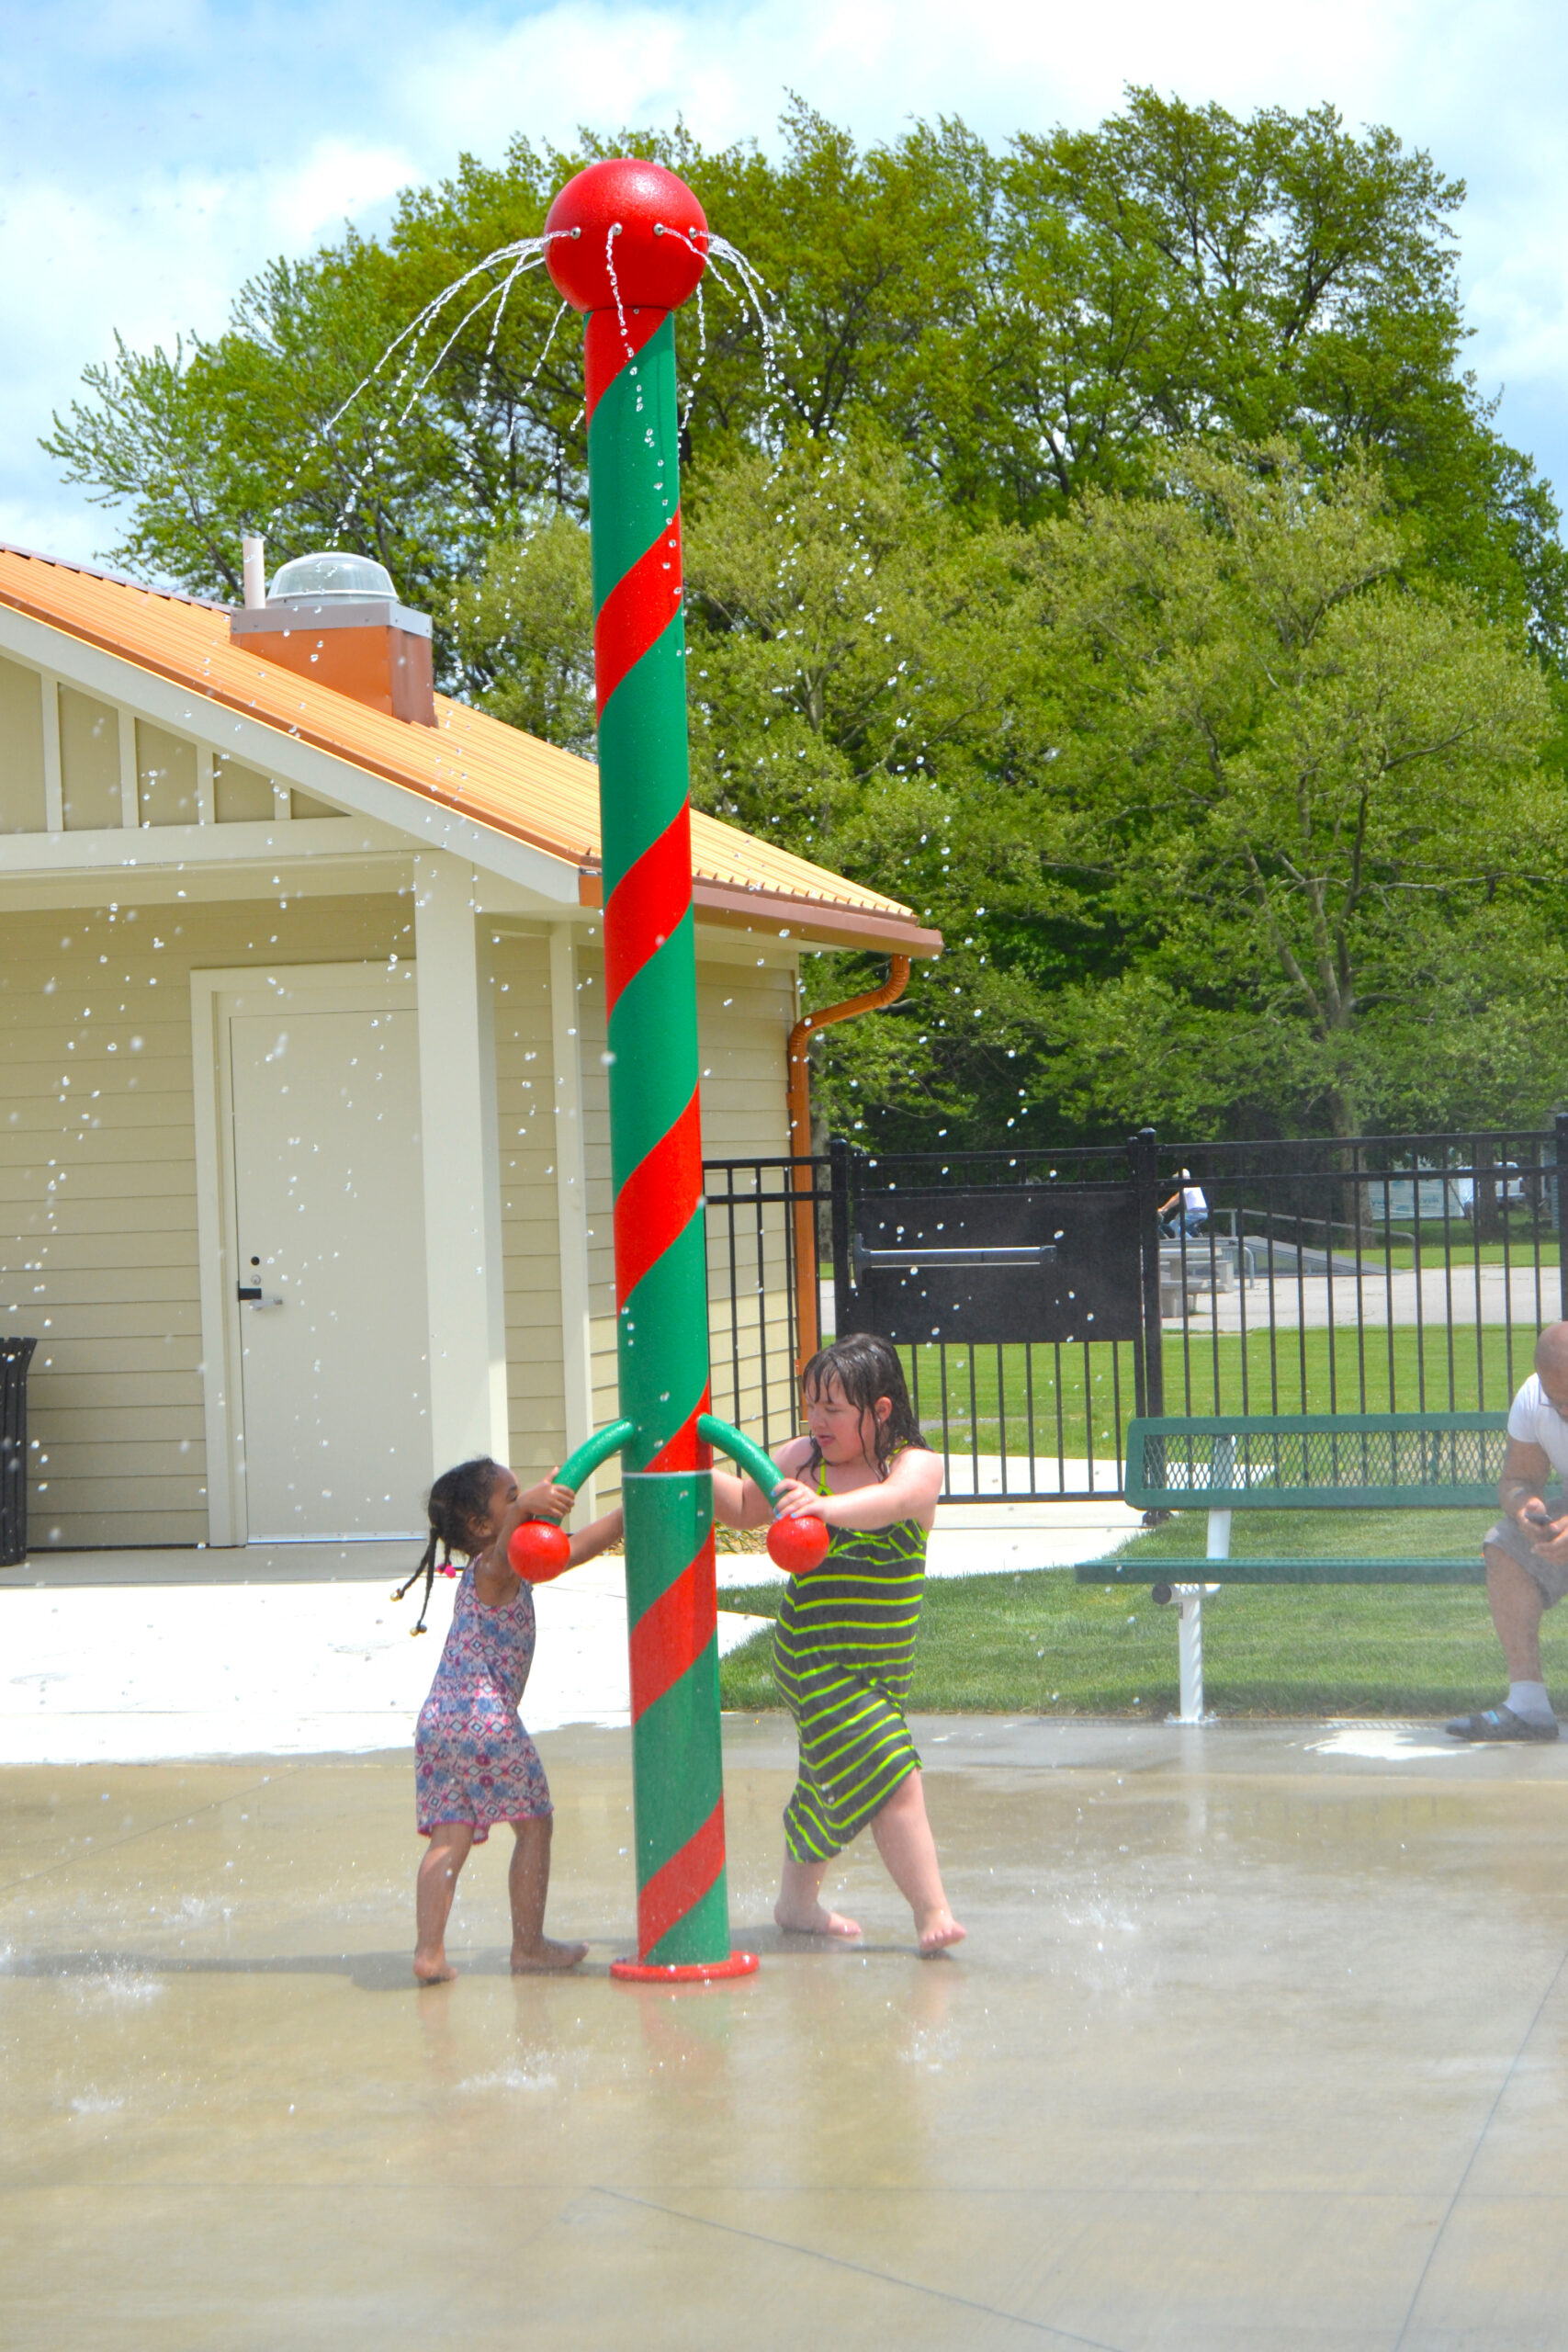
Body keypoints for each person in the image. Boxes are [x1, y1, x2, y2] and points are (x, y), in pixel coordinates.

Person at [711, 1332, 965, 1956]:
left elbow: (891, 1504)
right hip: (814, 1656)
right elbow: (743, 1506)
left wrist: (821, 1509)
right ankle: (932, 1911)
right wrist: (686, 1468)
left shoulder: (913, 1466)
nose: (817, 1421)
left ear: (879, 1409)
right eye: (810, 1406)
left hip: (880, 1664)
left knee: (827, 1780)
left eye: (833, 1408)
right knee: (893, 1773)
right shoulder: (803, 1459)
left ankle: (796, 1904)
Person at [401, 1455, 623, 1982]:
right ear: (482, 1525)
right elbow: (506, 1550)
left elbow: (575, 1548)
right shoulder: (494, 1569)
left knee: (449, 1838)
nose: (523, 1501)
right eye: (511, 1497)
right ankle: (528, 1946)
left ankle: (429, 1952)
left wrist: (626, 1514)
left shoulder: (500, 1569)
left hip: (439, 1721)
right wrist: (528, 1508)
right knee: (534, 1826)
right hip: (486, 1721)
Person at [1446, 1322, 1568, 1742]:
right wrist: (1525, 1509)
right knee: (1504, 1545)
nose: (1564, 1411)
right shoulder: (1533, 1398)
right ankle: (1528, 1707)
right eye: (1557, 1401)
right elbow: (1517, 1479)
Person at [1158, 1169, 1209, 1239]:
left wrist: (1163, 1208)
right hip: (1202, 1212)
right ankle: (1195, 1239)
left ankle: (1192, 1243)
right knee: (1185, 1229)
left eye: (1178, 1178)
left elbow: (1177, 1198)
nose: (1177, 1181)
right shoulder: (1194, 1184)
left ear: (1183, 1178)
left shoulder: (1189, 1185)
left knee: (1174, 1225)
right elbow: (1178, 1200)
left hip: (1196, 1212)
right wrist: (1166, 1208)